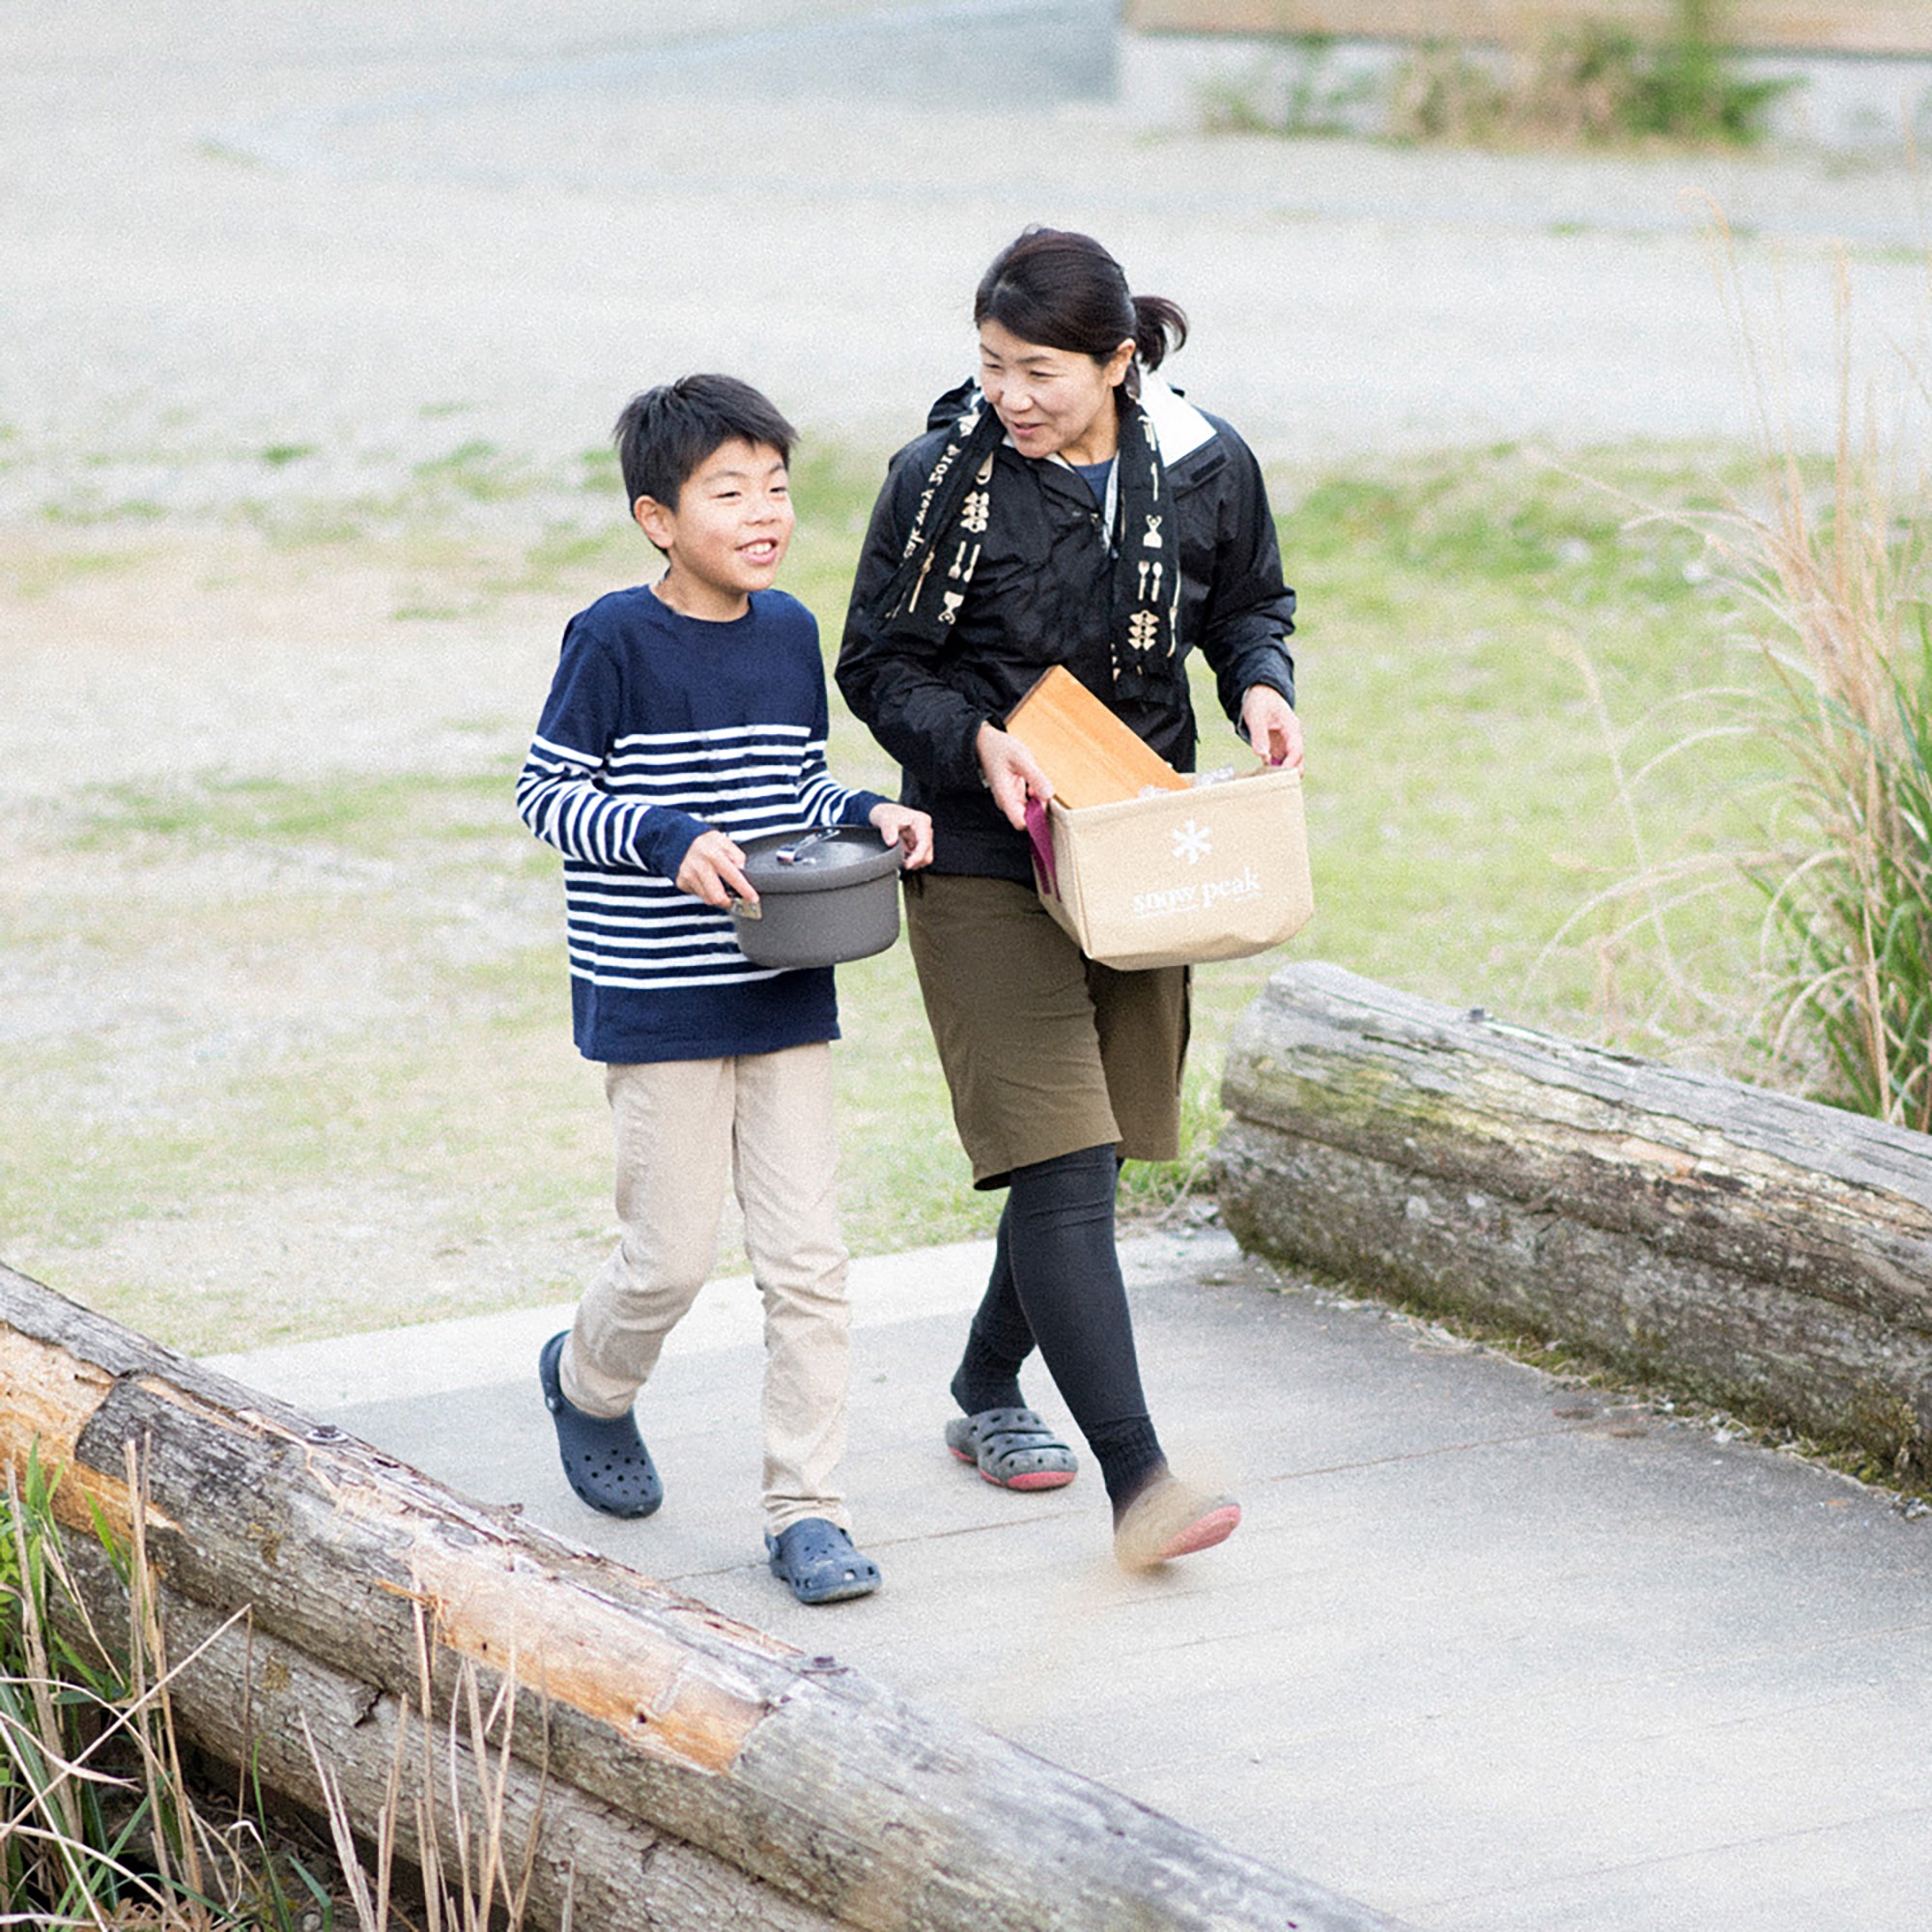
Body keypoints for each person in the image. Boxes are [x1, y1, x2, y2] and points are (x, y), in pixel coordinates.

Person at [837, 227, 1301, 1572]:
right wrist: (971, 740)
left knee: (1087, 1156)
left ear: (1118, 362)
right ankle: (1141, 1483)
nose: (1010, 397)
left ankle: (985, 1388)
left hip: (1138, 843)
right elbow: (876, 665)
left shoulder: (1209, 462)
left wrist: (1262, 686)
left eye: (1038, 371)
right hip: (983, 851)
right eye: (989, 366)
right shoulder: (940, 482)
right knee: (1061, 1158)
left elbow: (1250, 604)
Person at [517, 374, 932, 1605]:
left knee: (809, 1261)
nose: (764, 514)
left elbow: (792, 791)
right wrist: (660, 837)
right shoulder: (610, 638)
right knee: (668, 1260)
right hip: (658, 1001)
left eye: (777, 489)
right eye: (729, 492)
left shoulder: (788, 631)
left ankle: (806, 1507)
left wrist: (867, 808)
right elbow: (545, 793)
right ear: (657, 516)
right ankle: (588, 1380)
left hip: (781, 979)